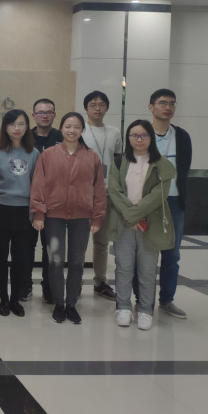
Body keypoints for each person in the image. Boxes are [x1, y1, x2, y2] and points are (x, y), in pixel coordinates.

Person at [30, 112, 106, 325]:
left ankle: (71, 303)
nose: (72, 130)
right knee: (55, 260)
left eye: (76, 127)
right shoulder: (48, 155)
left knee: (76, 262)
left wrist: (97, 217)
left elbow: (99, 190)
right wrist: (38, 213)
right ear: (61, 129)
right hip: (53, 217)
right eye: (68, 126)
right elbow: (38, 185)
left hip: (81, 217)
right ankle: (59, 303)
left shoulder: (92, 157)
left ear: (82, 130)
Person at [107, 120, 175, 331]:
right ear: (128, 138)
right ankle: (123, 307)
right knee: (124, 268)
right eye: (134, 135)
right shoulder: (119, 162)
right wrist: (130, 216)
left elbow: (159, 194)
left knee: (147, 270)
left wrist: (135, 215)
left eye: (143, 135)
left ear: (151, 138)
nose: (138, 139)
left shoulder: (161, 163)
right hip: (124, 224)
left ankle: (145, 310)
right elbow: (114, 191)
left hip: (149, 224)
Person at [134, 88, 192, 319]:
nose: (168, 107)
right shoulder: (140, 133)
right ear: (151, 107)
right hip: (146, 202)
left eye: (172, 103)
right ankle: (141, 300)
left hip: (174, 202)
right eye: (162, 103)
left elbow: (185, 168)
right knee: (143, 254)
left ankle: (167, 300)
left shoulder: (182, 136)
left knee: (172, 254)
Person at [0, 110, 40, 318]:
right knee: (0, 256)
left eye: (21, 124)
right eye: (12, 124)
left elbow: (37, 185)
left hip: (24, 211)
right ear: (5, 127)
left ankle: (15, 299)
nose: (17, 128)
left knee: (20, 258)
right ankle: (3, 299)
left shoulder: (34, 153)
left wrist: (35, 212)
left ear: (27, 127)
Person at [82, 90, 122, 301]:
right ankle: (75, 283)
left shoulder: (114, 132)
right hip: (82, 194)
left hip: (105, 193)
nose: (97, 108)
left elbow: (118, 162)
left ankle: (100, 283)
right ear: (86, 108)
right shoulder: (79, 130)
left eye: (101, 104)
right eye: (92, 104)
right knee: (79, 242)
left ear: (107, 108)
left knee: (102, 242)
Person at [25, 98, 63, 304]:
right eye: (40, 112)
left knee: (50, 248)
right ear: (33, 116)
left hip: (55, 203)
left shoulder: (63, 137)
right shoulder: (24, 137)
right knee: (26, 246)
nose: (45, 116)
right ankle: (25, 286)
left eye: (49, 112)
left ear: (55, 115)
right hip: (27, 201)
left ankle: (49, 288)